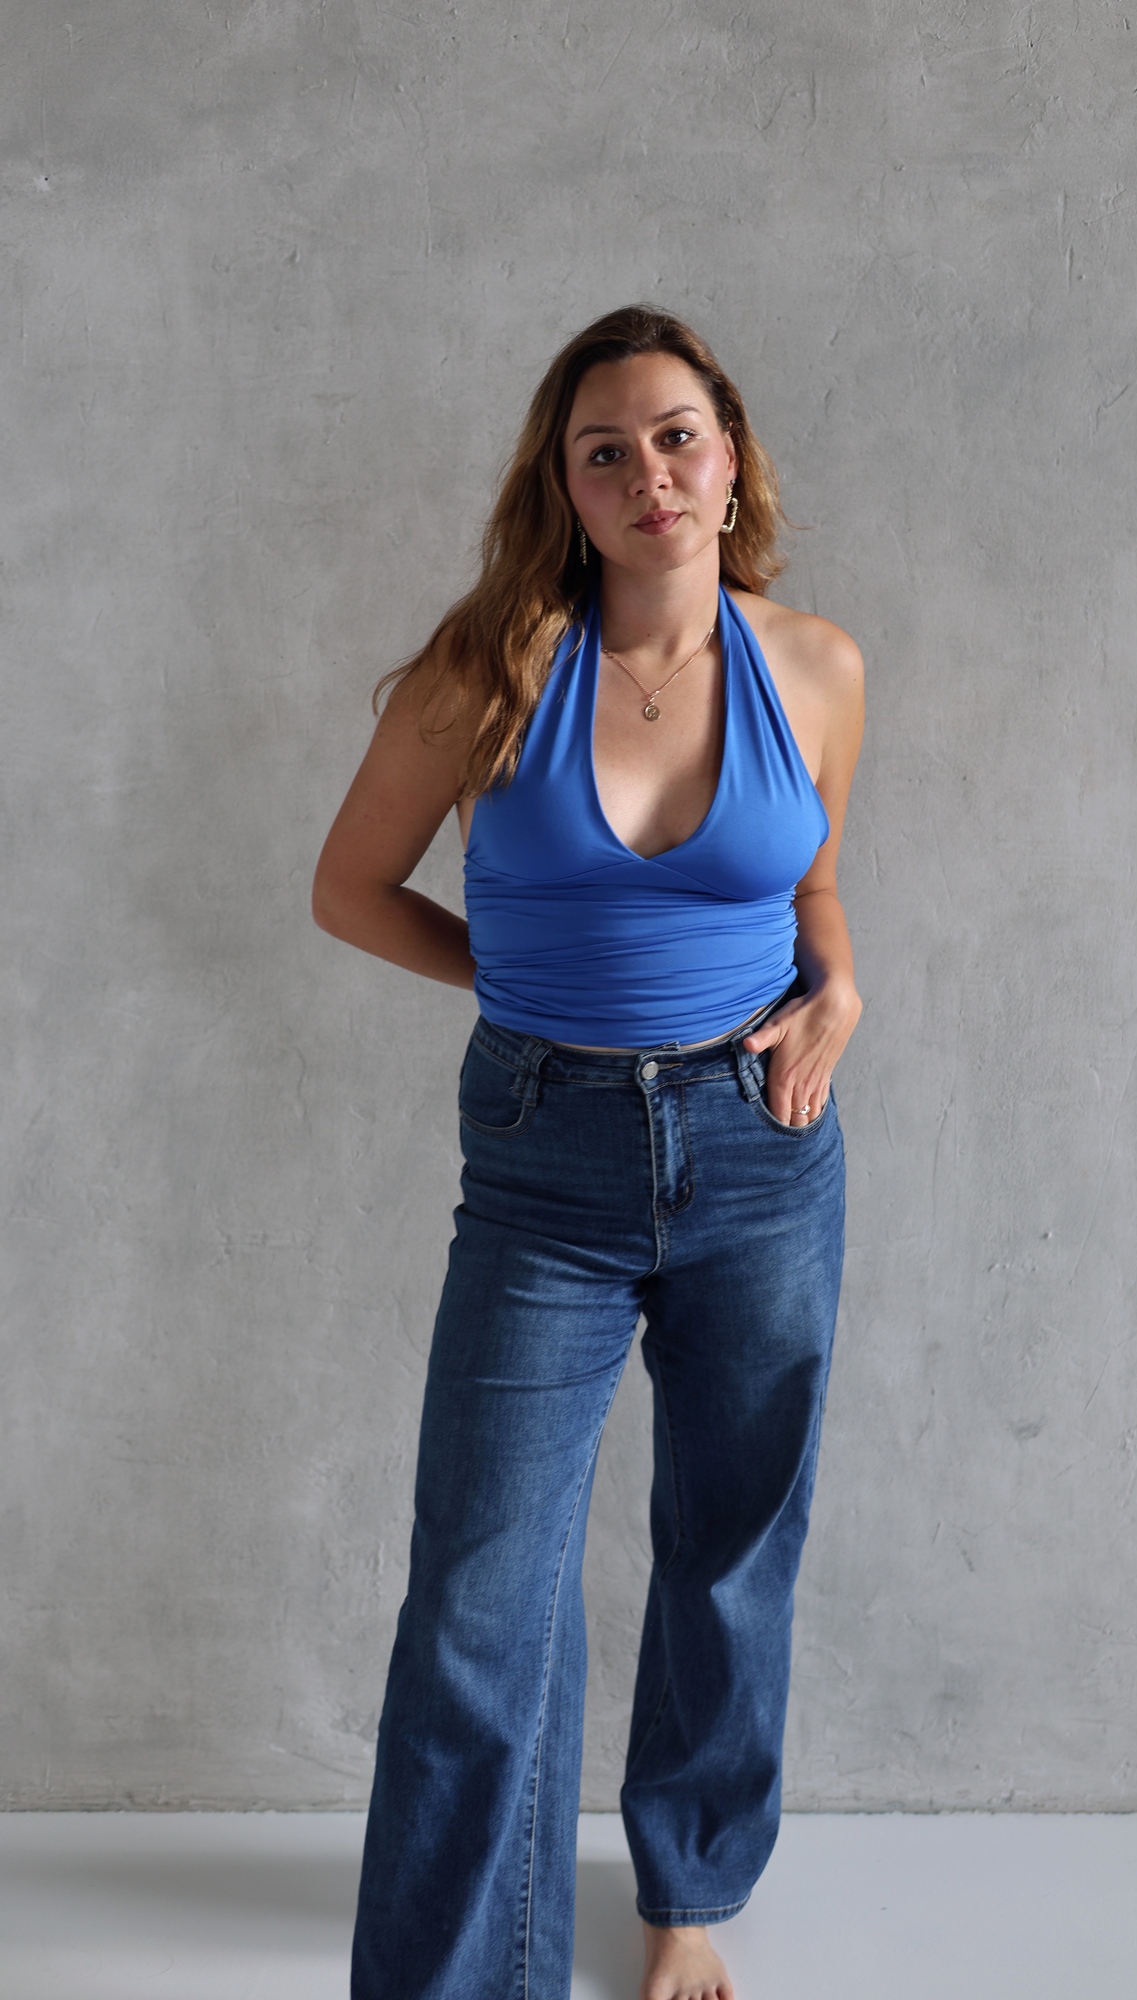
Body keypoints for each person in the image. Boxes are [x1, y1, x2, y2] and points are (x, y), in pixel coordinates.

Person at [312, 304, 865, 2000]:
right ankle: (464, 1974)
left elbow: (809, 876)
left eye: (676, 436)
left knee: (731, 1539)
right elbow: (349, 889)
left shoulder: (815, 667)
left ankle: (684, 1896)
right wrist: (533, 992)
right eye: (604, 449)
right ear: (563, 486)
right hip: (544, 1159)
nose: (649, 474)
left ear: (730, 455)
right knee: (480, 1586)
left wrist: (840, 981)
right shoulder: (489, 669)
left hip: (760, 1145)